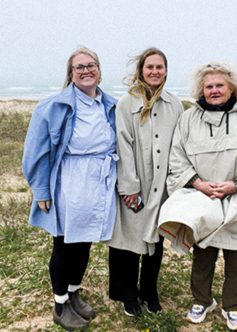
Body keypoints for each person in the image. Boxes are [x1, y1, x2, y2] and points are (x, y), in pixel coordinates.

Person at [158, 62, 237, 331]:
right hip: (202, 198)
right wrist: (198, 184)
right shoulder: (189, 118)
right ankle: (202, 301)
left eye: (219, 85)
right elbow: (177, 157)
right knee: (203, 256)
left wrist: (236, 185)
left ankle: (233, 306)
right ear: (201, 90)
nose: (214, 90)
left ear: (232, 88)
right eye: (209, 86)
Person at [22, 47, 118, 331]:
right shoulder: (52, 107)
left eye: (91, 65)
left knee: (85, 241)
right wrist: (41, 190)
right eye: (80, 67)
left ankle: (75, 293)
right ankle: (61, 303)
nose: (86, 70)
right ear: (71, 73)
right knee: (64, 243)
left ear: (99, 70)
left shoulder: (109, 104)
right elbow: (35, 152)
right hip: (69, 181)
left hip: (100, 180)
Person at [106, 47, 183, 317]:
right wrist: (129, 186)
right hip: (133, 182)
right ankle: (126, 294)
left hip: (162, 185)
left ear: (166, 71)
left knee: (155, 241)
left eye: (159, 67)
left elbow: (178, 145)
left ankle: (149, 291)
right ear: (141, 70)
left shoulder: (174, 104)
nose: (154, 72)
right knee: (127, 240)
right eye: (149, 67)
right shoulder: (127, 103)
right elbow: (123, 144)